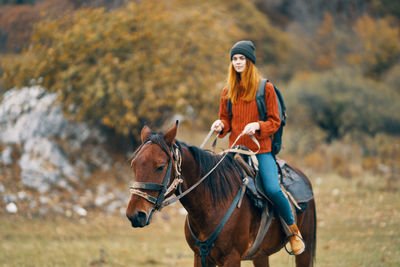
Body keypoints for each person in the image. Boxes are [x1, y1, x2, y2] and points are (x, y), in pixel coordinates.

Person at [211, 40, 305, 255]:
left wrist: (258, 126)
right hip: (234, 152)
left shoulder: (266, 88)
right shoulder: (227, 91)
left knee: (272, 188)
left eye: (241, 58)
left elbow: (275, 121)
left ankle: (292, 230)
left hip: (260, 151)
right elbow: (226, 120)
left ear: (250, 61)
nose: (237, 62)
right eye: (234, 59)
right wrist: (220, 125)